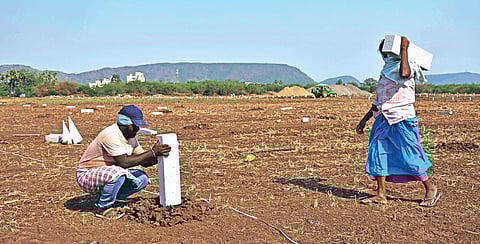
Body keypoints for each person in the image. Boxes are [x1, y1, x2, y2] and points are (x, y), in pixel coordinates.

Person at [356, 36, 441, 207]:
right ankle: (381, 194)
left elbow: (404, 73)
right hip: (383, 118)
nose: (386, 54)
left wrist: (404, 50)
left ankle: (430, 187)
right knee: (378, 154)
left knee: (409, 155)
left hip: (402, 118)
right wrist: (364, 120)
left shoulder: (408, 68)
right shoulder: (386, 70)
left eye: (387, 51)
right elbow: (380, 100)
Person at [76, 104, 171, 215]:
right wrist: (152, 152)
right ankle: (103, 208)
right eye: (134, 126)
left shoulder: (131, 137)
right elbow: (124, 162)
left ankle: (114, 197)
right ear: (123, 124)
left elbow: (144, 161)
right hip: (87, 175)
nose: (137, 129)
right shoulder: (111, 134)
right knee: (118, 173)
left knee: (142, 178)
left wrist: (159, 155)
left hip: (105, 173)